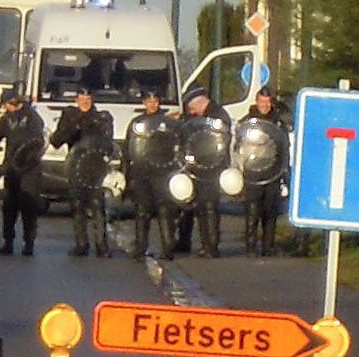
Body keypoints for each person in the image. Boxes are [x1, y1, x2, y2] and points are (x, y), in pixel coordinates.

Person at [50, 86, 115, 258]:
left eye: (88, 98)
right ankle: (81, 245)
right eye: (81, 98)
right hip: (75, 166)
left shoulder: (102, 117)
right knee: (77, 206)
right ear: (76, 100)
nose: (85, 102)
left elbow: (108, 143)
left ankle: (102, 246)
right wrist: (73, 125)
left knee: (97, 206)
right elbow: (56, 141)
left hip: (95, 168)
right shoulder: (69, 116)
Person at [170, 87, 231, 258]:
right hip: (196, 166)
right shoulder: (194, 118)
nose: (191, 111)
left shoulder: (219, 115)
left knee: (209, 206)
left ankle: (211, 246)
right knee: (192, 205)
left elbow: (221, 137)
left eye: (192, 108)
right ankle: (194, 243)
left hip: (212, 166)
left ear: (200, 103)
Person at [0, 91, 46, 256]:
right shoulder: (7, 118)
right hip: (11, 167)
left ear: (12, 102)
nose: (5, 108)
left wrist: (24, 158)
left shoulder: (32, 117)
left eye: (6, 104)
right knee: (9, 207)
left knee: (28, 207)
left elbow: (37, 142)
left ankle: (28, 243)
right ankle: (8, 242)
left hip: (30, 168)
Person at [237, 87, 291, 256]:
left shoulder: (278, 122)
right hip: (253, 173)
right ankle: (251, 246)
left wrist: (283, 169)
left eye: (267, 102)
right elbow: (237, 146)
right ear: (256, 101)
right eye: (261, 101)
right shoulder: (247, 121)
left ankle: (268, 246)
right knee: (252, 210)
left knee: (270, 211)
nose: (264, 105)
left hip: (272, 173)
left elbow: (285, 147)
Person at [123, 90, 175, 258]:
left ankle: (167, 247)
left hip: (162, 172)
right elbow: (128, 149)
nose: (152, 104)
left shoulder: (168, 122)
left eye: (155, 101)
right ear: (144, 103)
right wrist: (127, 173)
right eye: (149, 101)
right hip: (141, 171)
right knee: (142, 210)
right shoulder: (137, 123)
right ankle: (140, 246)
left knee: (164, 209)